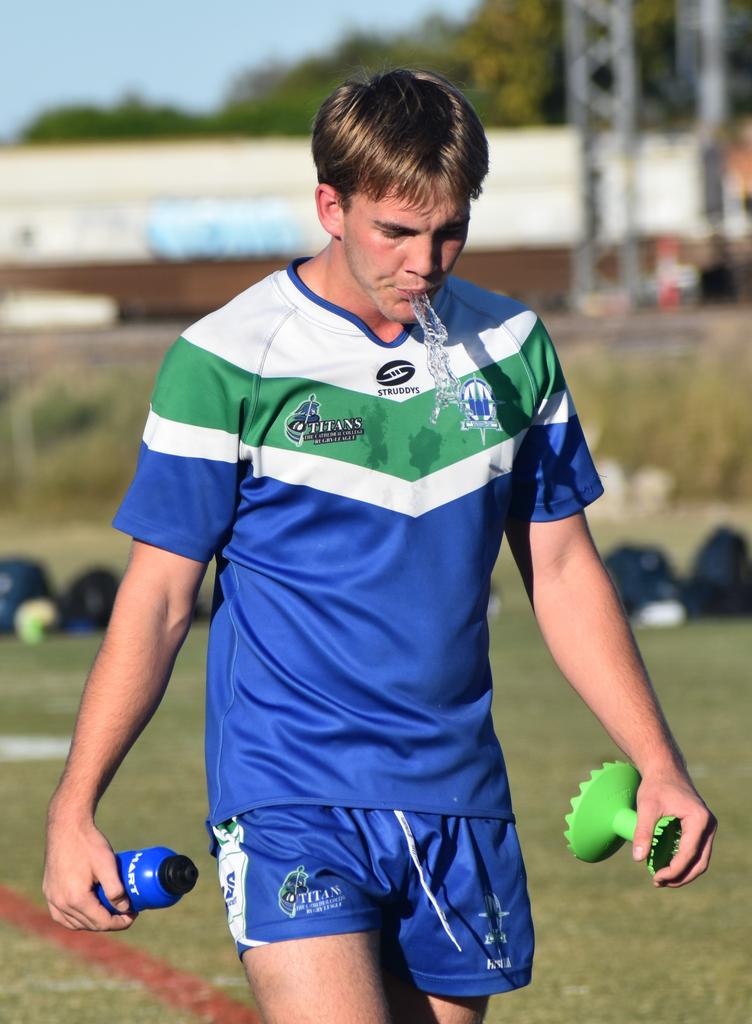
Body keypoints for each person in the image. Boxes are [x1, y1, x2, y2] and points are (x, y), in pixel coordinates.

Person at [43, 69, 716, 1024]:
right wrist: (75, 808)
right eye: (396, 232)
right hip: (291, 788)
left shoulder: (515, 346)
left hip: (457, 797)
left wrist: (659, 763)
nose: (426, 262)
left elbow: (562, 572)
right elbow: (155, 601)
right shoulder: (226, 359)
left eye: (450, 231)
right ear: (331, 205)